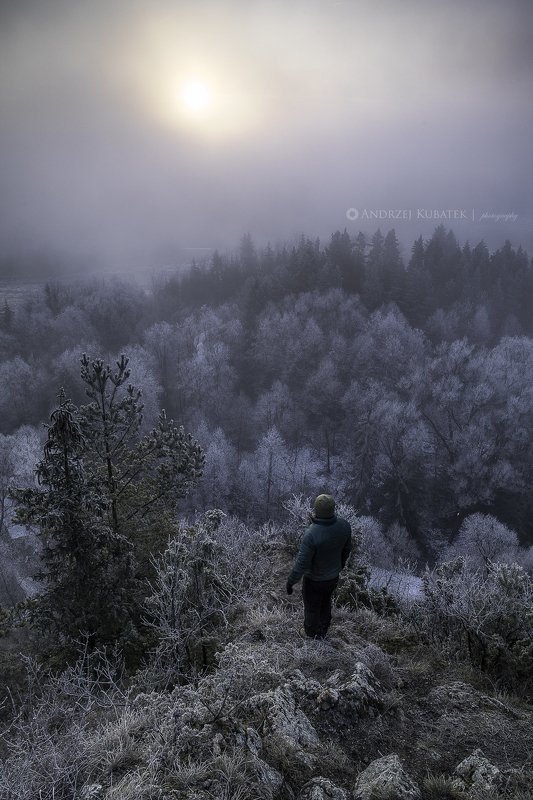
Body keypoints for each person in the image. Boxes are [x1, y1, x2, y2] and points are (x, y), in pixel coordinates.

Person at [286, 494, 351, 639]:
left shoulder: (312, 533)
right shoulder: (344, 526)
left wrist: (291, 582)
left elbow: (301, 564)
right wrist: (340, 565)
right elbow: (347, 550)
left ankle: (310, 634)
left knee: (311, 607)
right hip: (333, 577)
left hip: (314, 580)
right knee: (325, 601)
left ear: (316, 510)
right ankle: (323, 629)